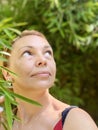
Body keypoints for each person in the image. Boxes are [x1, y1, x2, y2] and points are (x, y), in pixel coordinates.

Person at [0, 30, 97, 130]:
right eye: (27, 53)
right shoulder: (4, 123)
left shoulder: (75, 121)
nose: (43, 60)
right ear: (7, 72)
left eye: (47, 53)